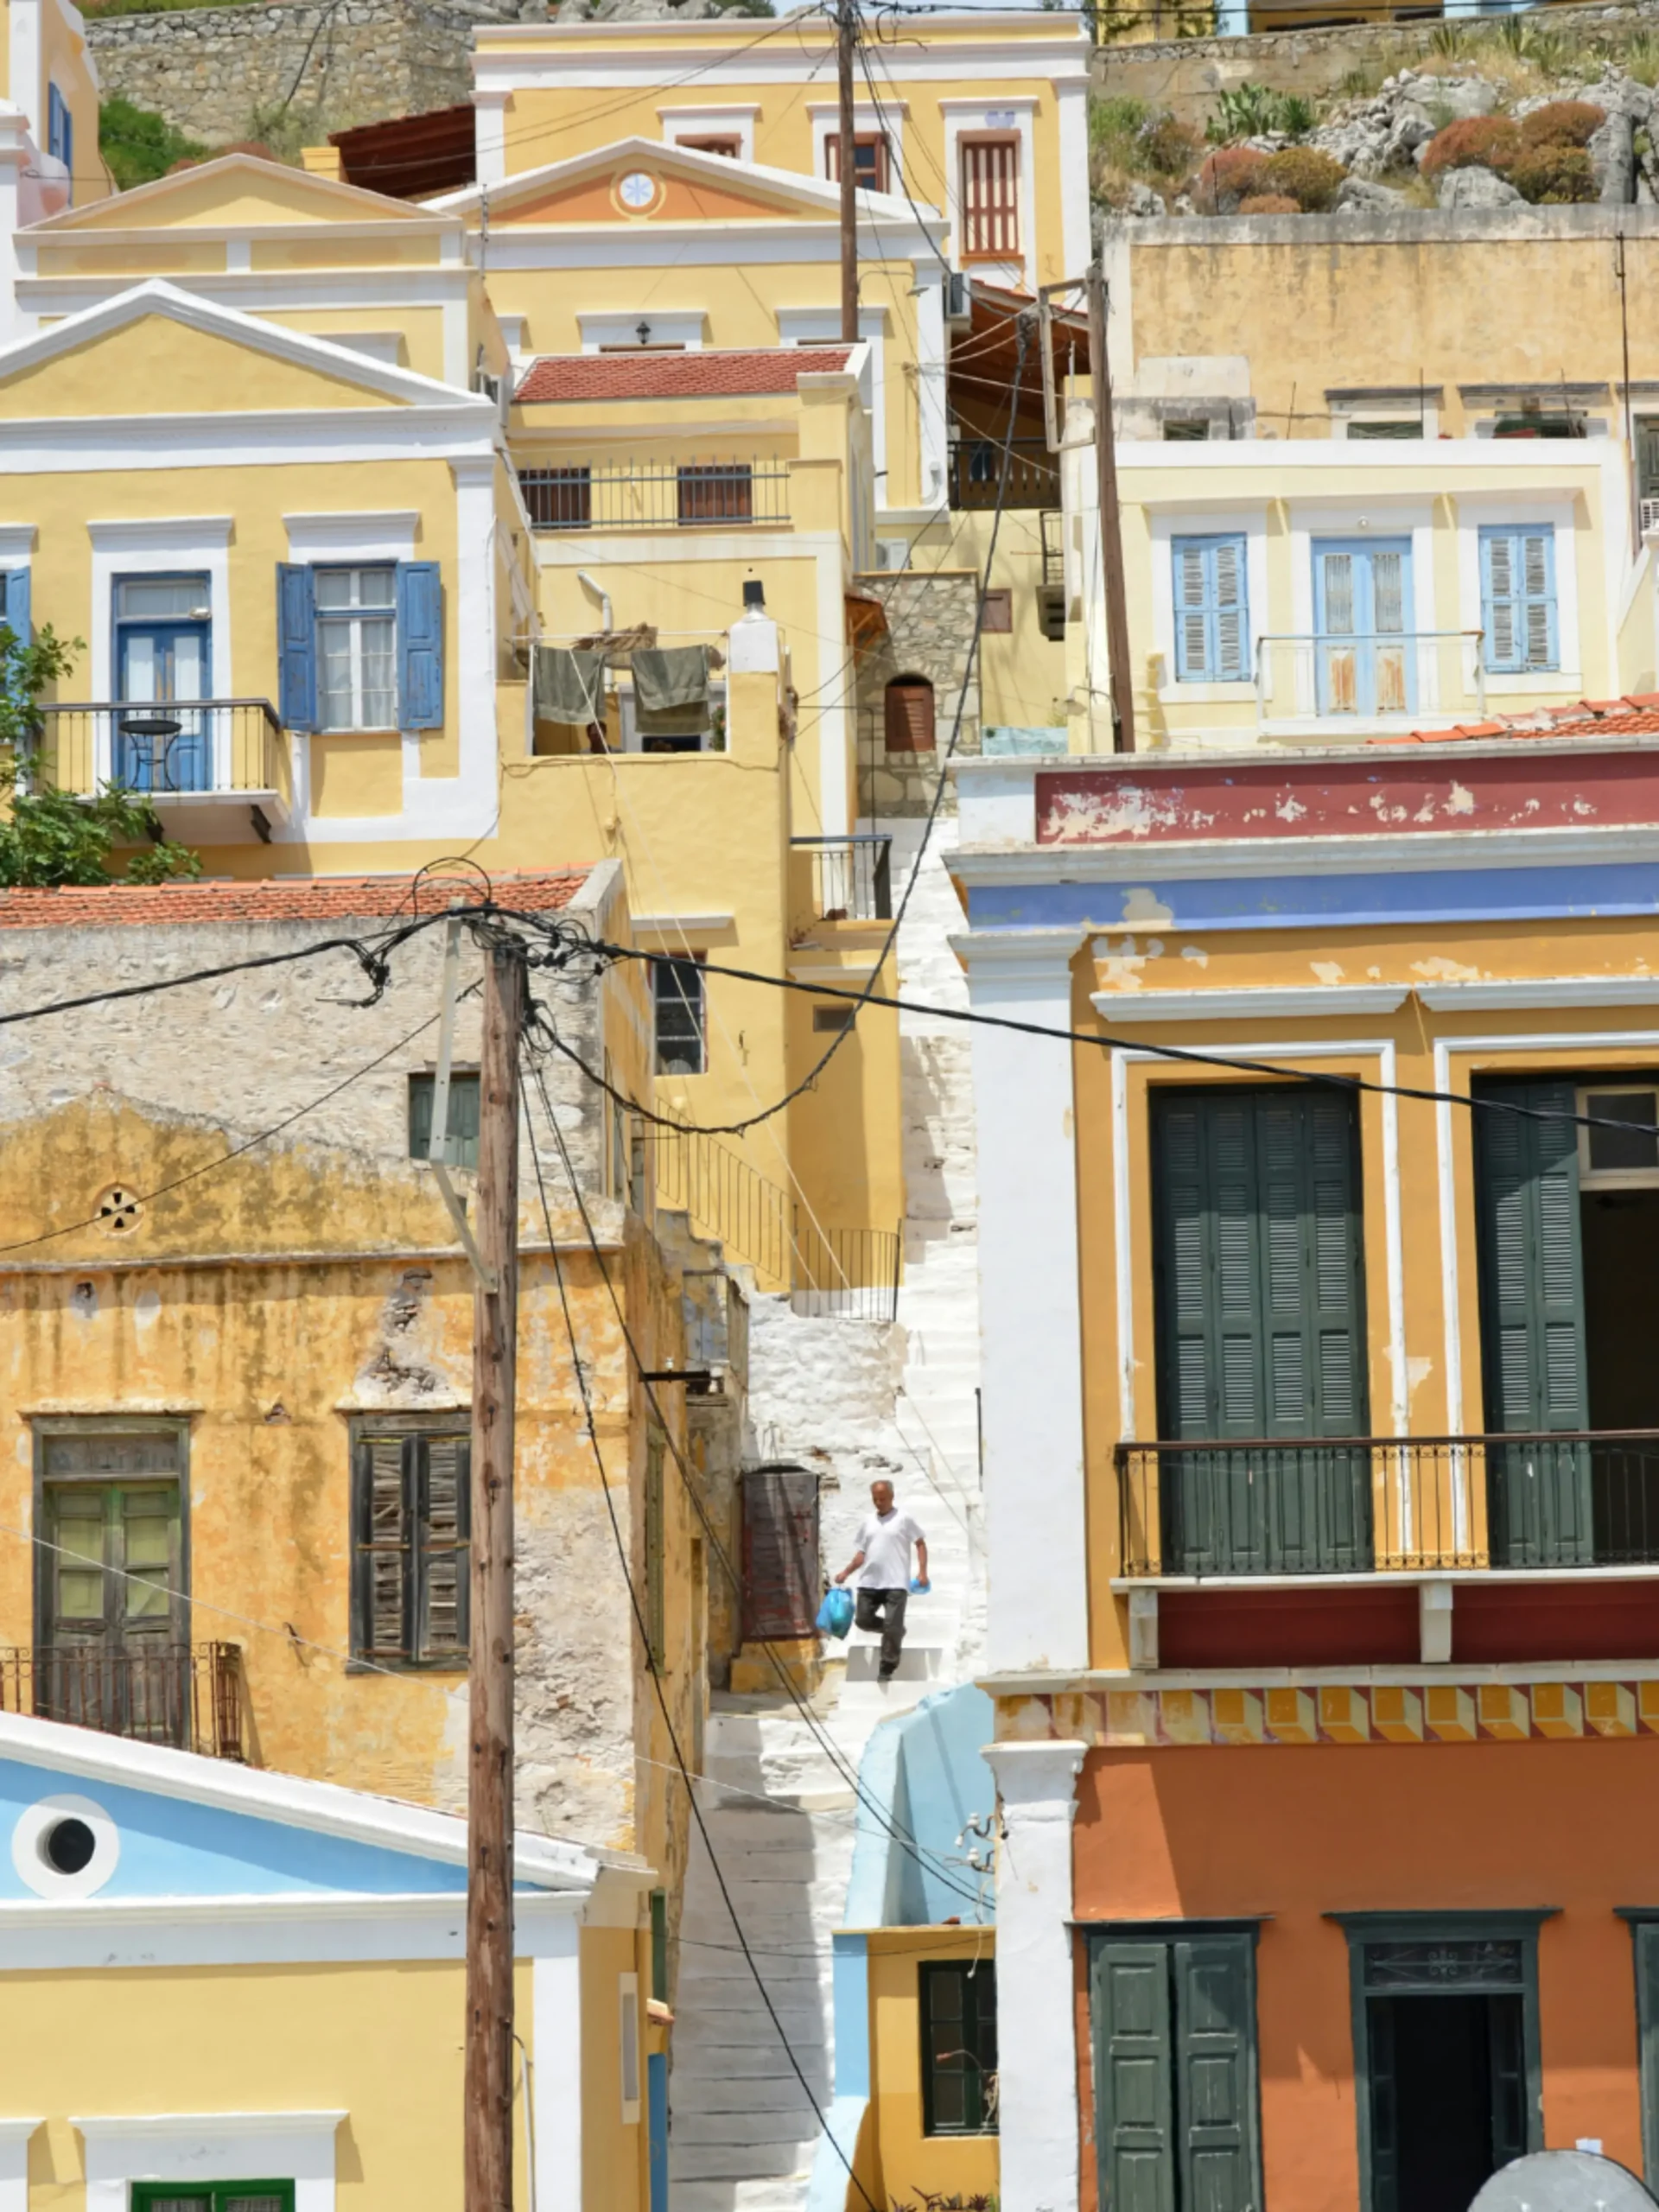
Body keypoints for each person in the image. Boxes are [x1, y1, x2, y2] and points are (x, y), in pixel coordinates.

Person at [834, 1479, 928, 1683]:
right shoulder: (868, 1522)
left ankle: (887, 1668)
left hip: (896, 1583)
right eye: (875, 1499)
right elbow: (861, 1553)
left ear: (892, 1497)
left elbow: (920, 1543)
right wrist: (846, 1572)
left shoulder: (904, 1519)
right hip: (869, 1581)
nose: (879, 1503)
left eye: (883, 1499)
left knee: (892, 1625)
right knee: (863, 1620)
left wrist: (922, 1572)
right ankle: (896, 1631)